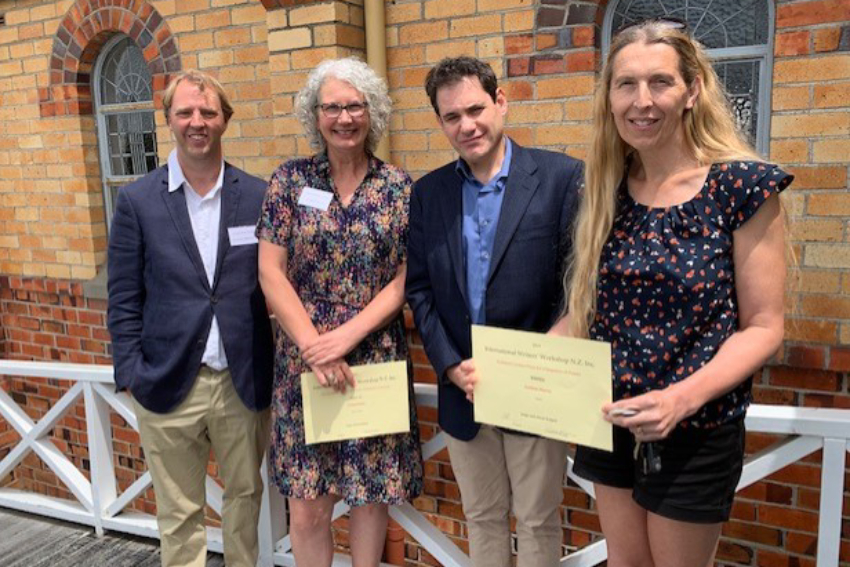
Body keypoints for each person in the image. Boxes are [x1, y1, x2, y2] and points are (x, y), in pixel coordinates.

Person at [555, 19, 793, 567]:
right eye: (626, 84)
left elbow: (764, 326)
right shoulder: (606, 189)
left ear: (693, 90)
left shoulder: (740, 187)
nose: (643, 101)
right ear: (609, 98)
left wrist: (680, 399)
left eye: (660, 82)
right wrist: (513, 369)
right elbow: (586, 309)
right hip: (609, 418)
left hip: (696, 428)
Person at [406, 56, 583, 567]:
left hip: (533, 386)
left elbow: (579, 282)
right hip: (465, 387)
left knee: (536, 519)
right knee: (481, 516)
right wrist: (447, 363)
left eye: (475, 109)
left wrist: (545, 357)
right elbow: (419, 289)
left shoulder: (560, 178)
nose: (467, 125)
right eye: (451, 117)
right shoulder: (429, 194)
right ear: (440, 122)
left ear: (500, 102)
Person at [256, 57, 423, 567]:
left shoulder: (398, 187)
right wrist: (314, 346)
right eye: (333, 106)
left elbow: (405, 278)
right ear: (316, 114)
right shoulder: (289, 181)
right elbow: (270, 271)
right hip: (303, 365)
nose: (344, 117)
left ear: (372, 113)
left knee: (370, 498)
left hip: (372, 357)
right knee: (307, 506)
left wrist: (343, 338)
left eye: (355, 106)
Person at [107, 69, 274, 567]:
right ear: (169, 120)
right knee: (179, 515)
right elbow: (122, 297)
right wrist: (131, 372)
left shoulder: (259, 195)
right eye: (185, 112)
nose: (197, 122)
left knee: (245, 501)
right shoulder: (137, 201)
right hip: (167, 382)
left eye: (207, 112)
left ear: (225, 120)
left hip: (242, 382)